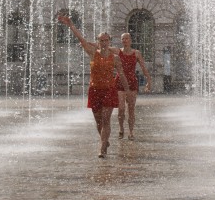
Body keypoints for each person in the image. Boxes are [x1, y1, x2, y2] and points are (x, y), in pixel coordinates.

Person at [57, 14, 129, 157]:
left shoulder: (115, 58)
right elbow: (81, 39)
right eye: (101, 40)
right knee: (98, 121)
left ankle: (102, 147)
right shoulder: (92, 53)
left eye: (106, 40)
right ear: (97, 42)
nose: (103, 43)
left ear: (109, 41)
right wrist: (71, 25)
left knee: (106, 119)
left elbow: (121, 74)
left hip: (109, 90)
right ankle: (104, 139)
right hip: (95, 90)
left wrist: (126, 90)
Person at [116, 32, 152, 140]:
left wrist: (149, 81)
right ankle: (121, 128)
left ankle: (131, 131)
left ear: (130, 40)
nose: (125, 40)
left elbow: (143, 68)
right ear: (121, 40)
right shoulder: (118, 52)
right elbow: (103, 45)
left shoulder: (136, 53)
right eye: (123, 39)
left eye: (127, 38)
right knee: (121, 109)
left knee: (131, 109)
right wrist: (86, 43)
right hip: (119, 82)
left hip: (132, 82)